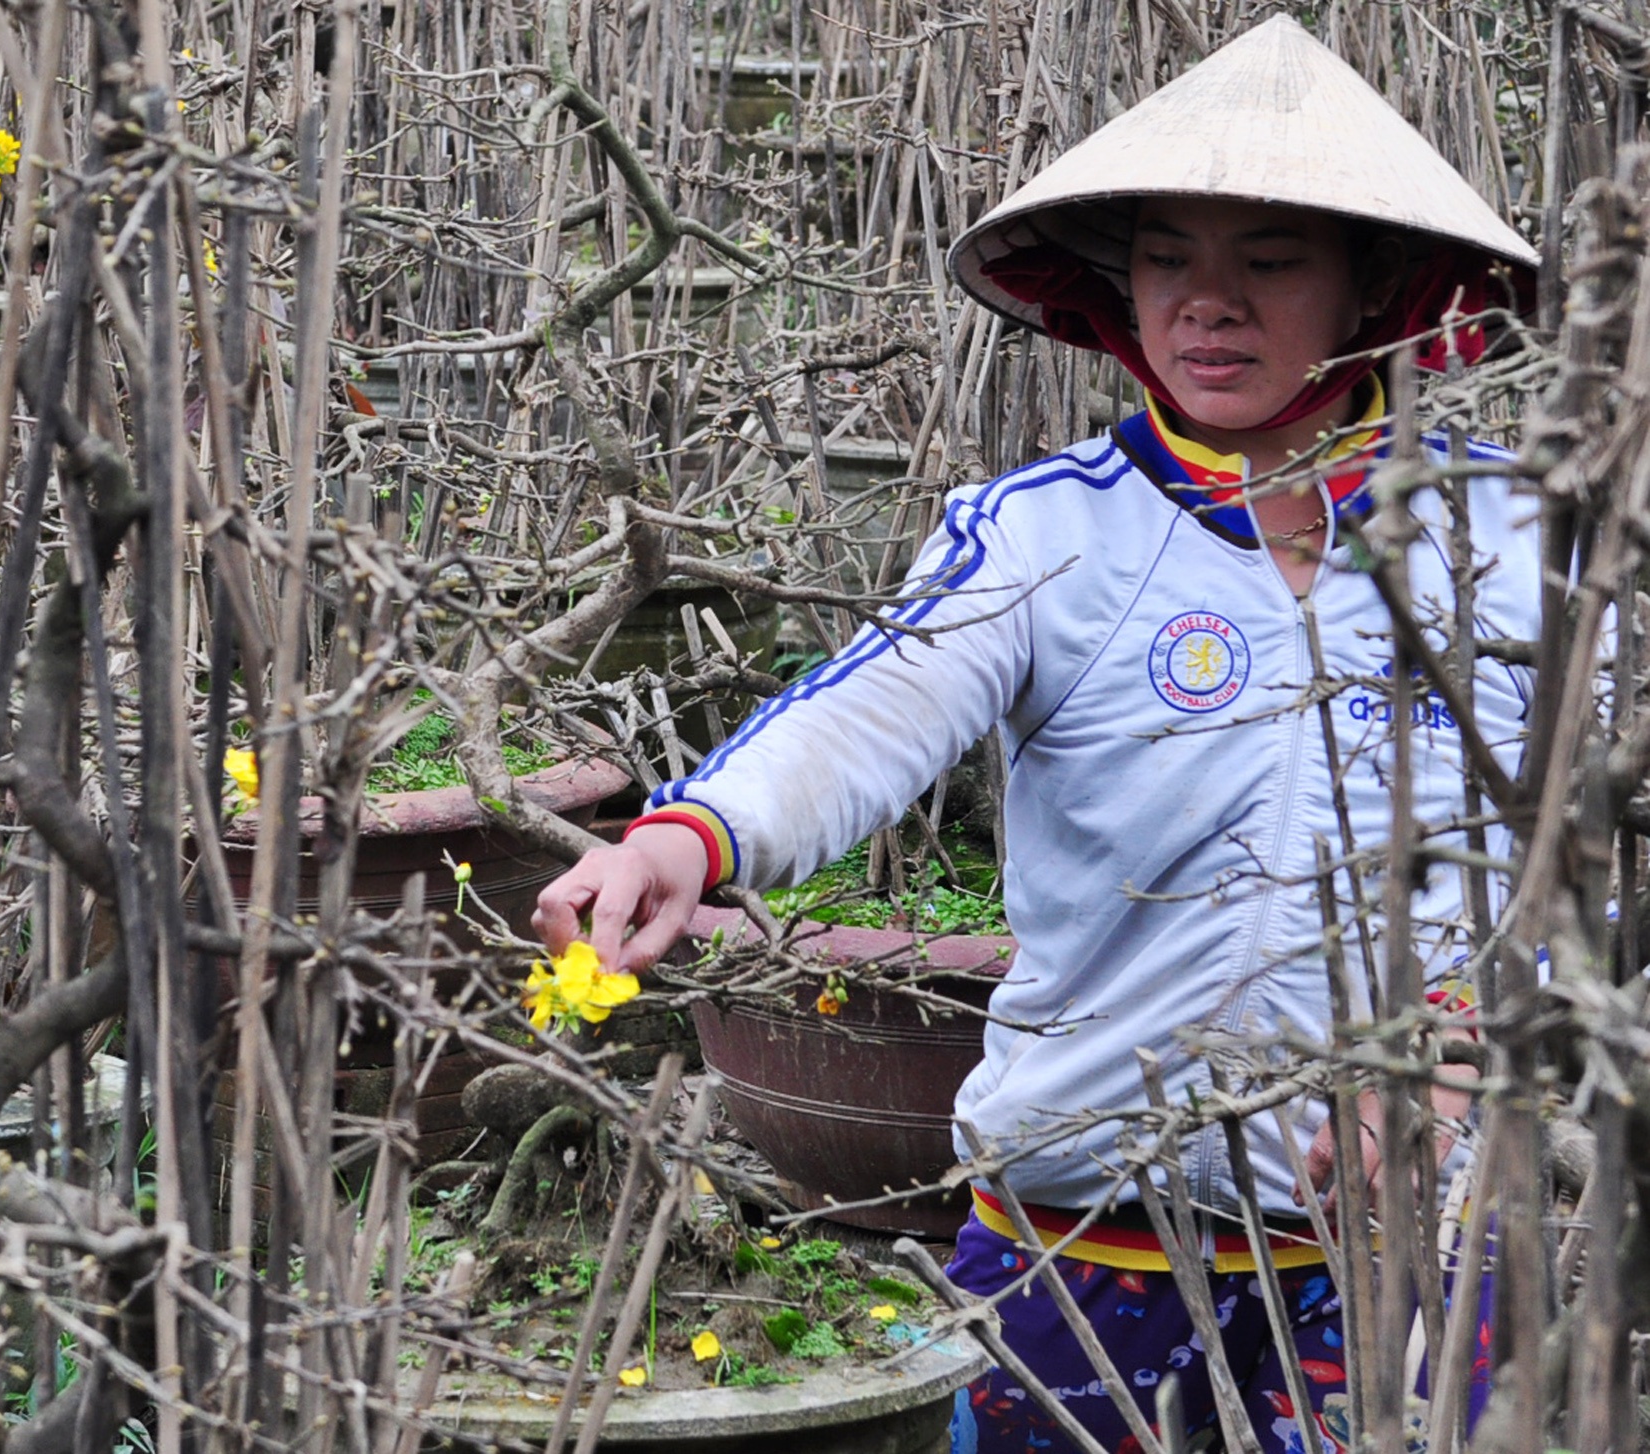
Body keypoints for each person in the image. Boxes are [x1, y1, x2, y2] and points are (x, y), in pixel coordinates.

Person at [534, 18, 1538, 1452]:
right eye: (1170, 258)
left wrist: (1451, 1050)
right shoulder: (1053, 531)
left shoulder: (1512, 530)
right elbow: (881, 697)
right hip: (1089, 1224)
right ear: (1118, 287)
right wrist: (692, 836)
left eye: (1268, 261)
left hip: (1405, 1238)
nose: (1210, 305)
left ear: (1374, 280)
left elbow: (1579, 836)